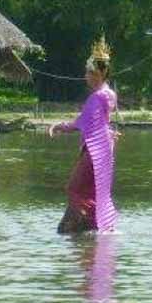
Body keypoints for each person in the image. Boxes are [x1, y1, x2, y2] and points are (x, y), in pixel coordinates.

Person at [49, 37, 119, 234]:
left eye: (89, 72)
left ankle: (85, 223)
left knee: (75, 187)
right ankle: (94, 226)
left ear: (100, 73)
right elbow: (99, 123)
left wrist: (60, 126)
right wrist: (109, 134)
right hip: (104, 147)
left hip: (96, 149)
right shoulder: (109, 94)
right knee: (91, 190)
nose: (86, 76)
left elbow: (82, 122)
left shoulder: (98, 97)